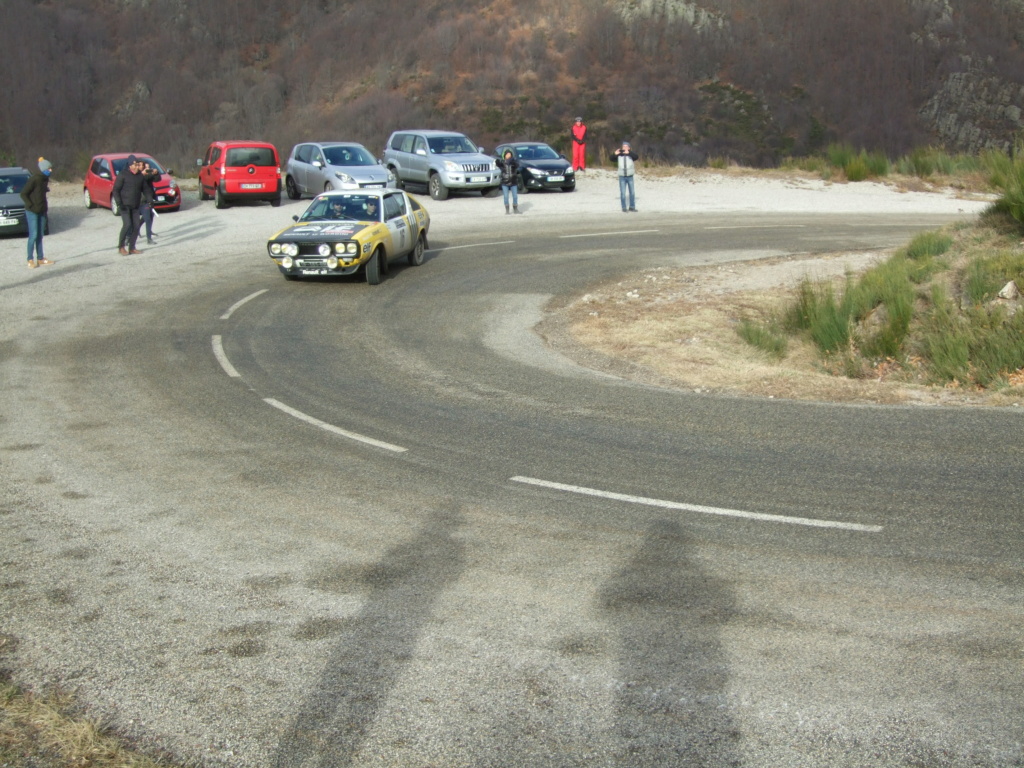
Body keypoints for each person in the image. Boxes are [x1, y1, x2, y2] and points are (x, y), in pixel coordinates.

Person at [20, 157, 54, 268]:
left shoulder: (45, 180)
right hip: (32, 211)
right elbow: (23, 194)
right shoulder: (34, 179)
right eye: (49, 169)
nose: (50, 170)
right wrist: (30, 205)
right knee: (33, 235)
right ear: (44, 169)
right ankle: (30, 259)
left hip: (42, 211)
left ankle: (40, 258)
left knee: (40, 235)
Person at [113, 155, 146, 254]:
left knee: (136, 226)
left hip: (135, 206)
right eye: (135, 165)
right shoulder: (123, 175)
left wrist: (150, 200)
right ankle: (121, 247)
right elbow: (115, 190)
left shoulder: (140, 176)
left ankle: (132, 247)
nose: (137, 167)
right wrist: (119, 204)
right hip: (124, 206)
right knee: (127, 225)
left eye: (138, 165)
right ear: (130, 165)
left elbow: (146, 189)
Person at [612, 141, 638, 212]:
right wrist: (615, 154)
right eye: (624, 146)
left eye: (626, 146)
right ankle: (624, 207)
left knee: (632, 192)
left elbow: (636, 157)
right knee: (623, 193)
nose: (625, 147)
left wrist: (629, 153)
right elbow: (611, 159)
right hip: (622, 176)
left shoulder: (631, 155)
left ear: (629, 148)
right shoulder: (620, 154)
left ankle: (632, 207)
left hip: (630, 176)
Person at [140, 161, 161, 244]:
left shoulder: (148, 175)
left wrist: (156, 173)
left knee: (150, 216)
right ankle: (149, 238)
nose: (148, 169)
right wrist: (149, 173)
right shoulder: (140, 176)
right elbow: (145, 178)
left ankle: (147, 231)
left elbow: (157, 179)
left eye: (149, 168)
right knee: (147, 218)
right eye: (146, 168)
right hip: (142, 199)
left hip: (149, 197)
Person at [495, 149, 521, 214]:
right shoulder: (503, 162)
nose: (508, 155)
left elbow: (518, 165)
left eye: (509, 154)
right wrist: (497, 161)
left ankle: (515, 208)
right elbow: (498, 164)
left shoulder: (514, 162)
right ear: (505, 155)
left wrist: (513, 162)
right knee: (506, 196)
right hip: (505, 182)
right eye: (507, 154)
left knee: (515, 196)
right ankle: (507, 210)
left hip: (513, 182)